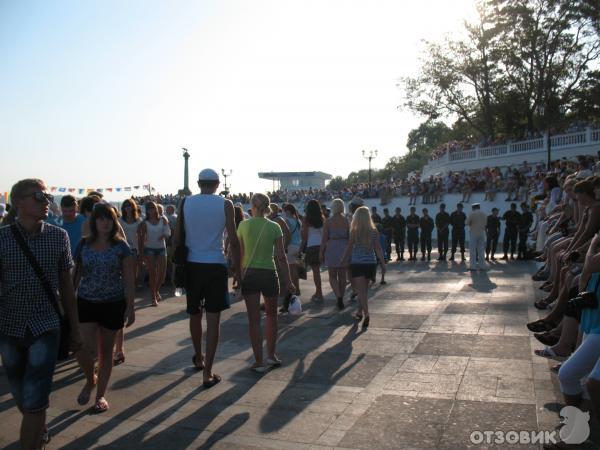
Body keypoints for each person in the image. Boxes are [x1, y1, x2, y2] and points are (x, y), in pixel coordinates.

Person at [0, 179, 82, 450]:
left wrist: (75, 327)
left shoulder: (58, 237)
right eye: (38, 196)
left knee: (35, 400)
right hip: (9, 326)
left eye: (47, 195)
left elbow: (67, 286)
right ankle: (38, 428)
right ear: (18, 202)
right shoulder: (2, 239)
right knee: (22, 397)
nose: (46, 200)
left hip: (45, 325)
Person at [175, 168, 240, 388]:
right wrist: (236, 268)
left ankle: (198, 356)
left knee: (194, 313)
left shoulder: (186, 203)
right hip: (215, 264)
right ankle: (208, 373)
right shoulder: (225, 204)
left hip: (192, 264)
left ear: (198, 183)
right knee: (213, 320)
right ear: (217, 184)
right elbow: (233, 237)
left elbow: (177, 236)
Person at [73, 204, 135, 413]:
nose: (105, 222)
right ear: (94, 222)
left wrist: (131, 307)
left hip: (112, 302)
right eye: (100, 219)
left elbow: (128, 278)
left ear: (114, 221)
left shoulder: (121, 246)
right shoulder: (83, 245)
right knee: (84, 349)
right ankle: (91, 379)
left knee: (106, 352)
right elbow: (75, 274)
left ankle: (100, 396)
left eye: (109, 218)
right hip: (86, 301)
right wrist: (67, 302)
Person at [237, 194, 295, 373]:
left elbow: (240, 254)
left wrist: (238, 279)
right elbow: (281, 257)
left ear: (253, 206)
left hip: (250, 273)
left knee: (254, 320)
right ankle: (271, 355)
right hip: (270, 273)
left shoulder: (243, 225)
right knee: (272, 316)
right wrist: (289, 281)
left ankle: (258, 360)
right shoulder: (274, 226)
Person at [341, 206, 386, 329]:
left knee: (361, 292)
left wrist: (343, 260)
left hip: (358, 263)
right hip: (370, 263)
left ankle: (367, 314)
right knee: (364, 291)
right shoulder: (374, 231)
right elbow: (378, 248)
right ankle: (359, 312)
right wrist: (382, 263)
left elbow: (349, 248)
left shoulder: (354, 231)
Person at [115, 198, 142, 365]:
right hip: (123, 250)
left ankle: (131, 291)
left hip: (133, 249)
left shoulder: (138, 221)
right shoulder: (119, 221)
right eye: (124, 206)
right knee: (128, 276)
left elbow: (140, 236)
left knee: (132, 276)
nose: (126, 208)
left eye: (128, 206)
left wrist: (140, 250)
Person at [138, 201, 171, 306]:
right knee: (153, 273)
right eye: (149, 208)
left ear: (156, 208)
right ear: (147, 211)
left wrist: (164, 235)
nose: (151, 210)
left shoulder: (163, 219)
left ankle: (156, 290)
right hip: (149, 249)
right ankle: (153, 296)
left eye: (153, 208)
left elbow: (168, 232)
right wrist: (142, 253)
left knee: (162, 273)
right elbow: (142, 238)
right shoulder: (144, 222)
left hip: (161, 248)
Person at [321, 199, 350, 309]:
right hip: (344, 246)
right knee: (342, 276)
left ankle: (338, 296)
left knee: (332, 276)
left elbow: (324, 239)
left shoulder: (328, 221)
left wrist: (321, 252)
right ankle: (341, 297)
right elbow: (349, 237)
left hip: (332, 246)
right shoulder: (346, 221)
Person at [300, 199, 324, 301]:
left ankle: (319, 293)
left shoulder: (306, 220)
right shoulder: (322, 218)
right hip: (321, 246)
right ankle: (318, 292)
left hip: (312, 246)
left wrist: (301, 248)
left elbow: (305, 237)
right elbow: (324, 234)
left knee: (315, 272)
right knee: (317, 271)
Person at [281, 204, 302, 311]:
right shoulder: (297, 220)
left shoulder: (287, 220)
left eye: (284, 210)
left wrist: (283, 246)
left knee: (288, 271)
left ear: (287, 211)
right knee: (294, 269)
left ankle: (291, 291)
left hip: (290, 246)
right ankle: (297, 288)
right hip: (297, 245)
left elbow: (286, 234)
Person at [467, 203, 487, 271]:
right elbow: (486, 223)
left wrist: (471, 224)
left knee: (473, 250)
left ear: (473, 208)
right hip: (481, 233)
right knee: (481, 250)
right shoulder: (484, 214)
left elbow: (466, 222)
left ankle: (473, 266)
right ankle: (482, 266)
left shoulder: (472, 213)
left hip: (473, 233)